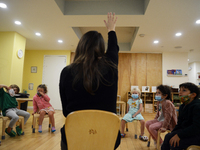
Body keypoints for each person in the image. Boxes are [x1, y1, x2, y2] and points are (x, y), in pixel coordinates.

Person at [59, 12, 120, 150]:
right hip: (108, 136)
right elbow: (113, 50)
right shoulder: (111, 67)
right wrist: (111, 30)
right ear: (101, 49)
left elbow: (65, 111)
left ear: (80, 47)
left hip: (74, 135)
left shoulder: (66, 72)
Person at [161, 82, 200, 150]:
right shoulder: (182, 106)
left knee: (174, 143)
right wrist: (174, 134)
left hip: (197, 135)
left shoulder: (197, 106)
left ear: (193, 94)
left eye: (184, 90)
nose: (180, 93)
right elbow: (179, 124)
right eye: (180, 90)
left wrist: (179, 135)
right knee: (168, 136)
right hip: (186, 132)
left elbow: (196, 127)